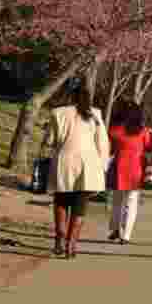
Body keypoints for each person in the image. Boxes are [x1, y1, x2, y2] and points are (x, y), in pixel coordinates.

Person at [44, 83, 109, 259]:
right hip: (89, 164)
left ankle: (59, 238)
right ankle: (71, 245)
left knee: (61, 201)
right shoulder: (95, 115)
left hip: (64, 162)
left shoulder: (58, 113)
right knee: (80, 207)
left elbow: (50, 140)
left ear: (71, 97)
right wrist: (103, 167)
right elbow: (102, 143)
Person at [107, 100, 152, 245]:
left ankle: (115, 230)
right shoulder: (144, 131)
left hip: (118, 168)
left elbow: (109, 149)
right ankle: (126, 235)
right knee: (131, 202)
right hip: (136, 169)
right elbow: (150, 147)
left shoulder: (115, 131)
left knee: (116, 201)